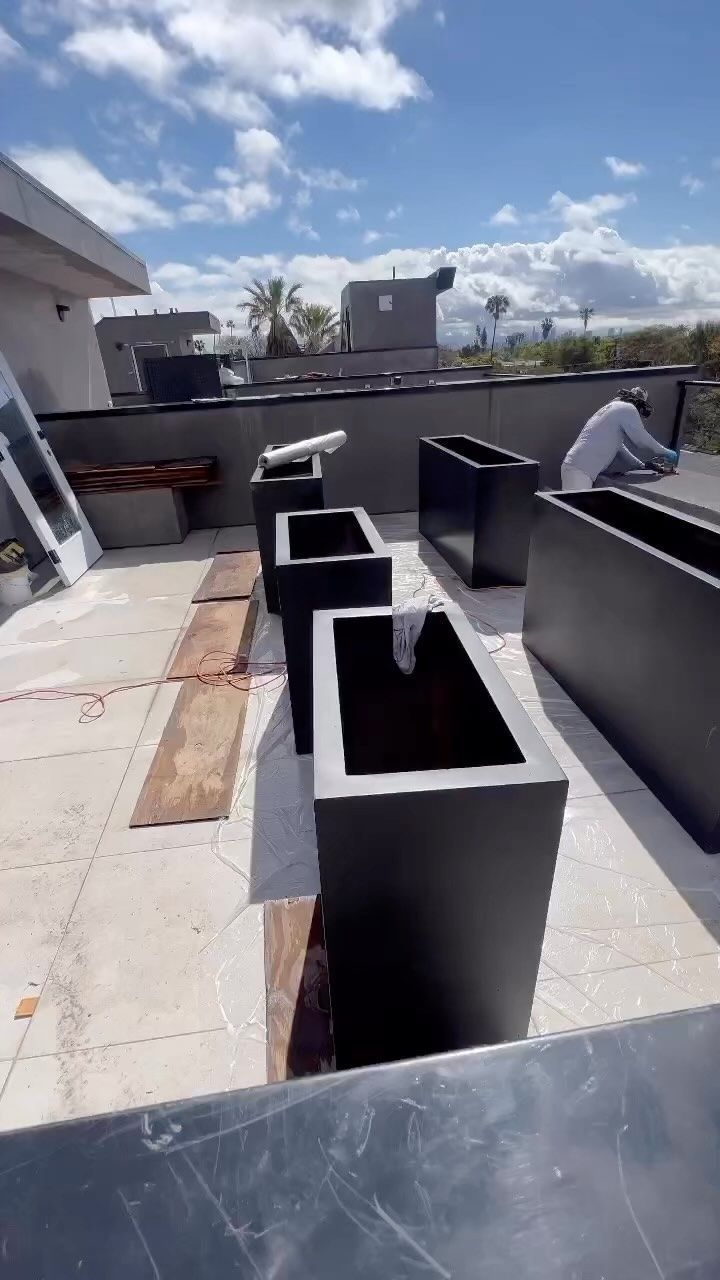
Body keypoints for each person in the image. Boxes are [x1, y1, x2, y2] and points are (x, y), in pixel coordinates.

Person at [561, 387, 678, 490]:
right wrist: (666, 452)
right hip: (580, 471)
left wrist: (642, 466)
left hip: (576, 467)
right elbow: (641, 440)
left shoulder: (613, 408)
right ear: (640, 405)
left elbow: (620, 449)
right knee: (576, 512)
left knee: (576, 511)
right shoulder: (628, 409)